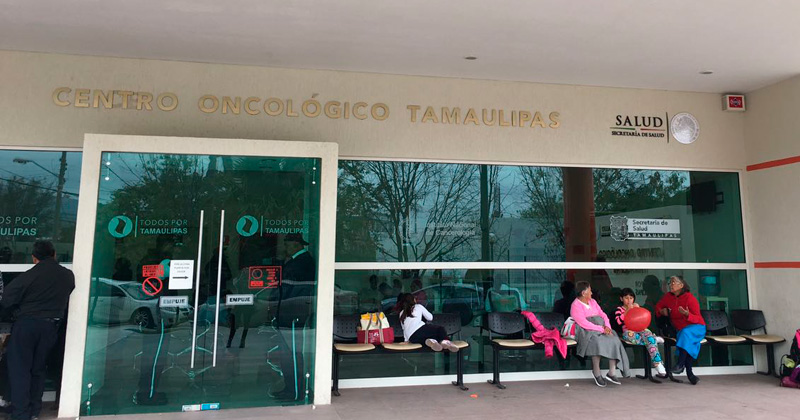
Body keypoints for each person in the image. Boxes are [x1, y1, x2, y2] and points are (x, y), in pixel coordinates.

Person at [1, 240, 75, 420]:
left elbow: (7, 299)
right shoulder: (67, 275)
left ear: (34, 258)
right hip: (51, 327)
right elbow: (69, 291)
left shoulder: (29, 276)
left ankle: (21, 412)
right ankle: (34, 410)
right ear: (54, 254)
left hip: (27, 325)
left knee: (20, 369)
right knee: (39, 368)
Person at [271, 233, 316, 401]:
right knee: (286, 353)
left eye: (288, 244)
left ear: (297, 244)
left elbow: (290, 288)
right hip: (287, 312)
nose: (285, 247)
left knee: (293, 353)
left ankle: (296, 391)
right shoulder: (295, 261)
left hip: (294, 312)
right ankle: (290, 387)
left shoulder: (303, 262)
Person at [570, 281, 630, 387]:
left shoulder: (593, 301)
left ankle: (611, 372)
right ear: (583, 293)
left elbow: (603, 315)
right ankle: (596, 372)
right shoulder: (575, 305)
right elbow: (583, 323)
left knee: (614, 339)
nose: (591, 293)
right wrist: (601, 329)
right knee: (596, 341)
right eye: (590, 291)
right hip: (586, 330)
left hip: (602, 327)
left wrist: (607, 327)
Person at [656, 275, 706, 385]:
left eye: (673, 282)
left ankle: (680, 363)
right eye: (670, 283)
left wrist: (687, 314)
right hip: (681, 330)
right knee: (686, 340)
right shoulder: (668, 297)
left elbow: (698, 318)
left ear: (681, 285)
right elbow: (658, 306)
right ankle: (690, 374)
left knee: (685, 334)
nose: (670, 285)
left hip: (696, 327)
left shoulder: (690, 298)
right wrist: (661, 311)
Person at [615, 288, 666, 376]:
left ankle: (658, 364)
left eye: (631, 298)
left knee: (647, 333)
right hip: (629, 331)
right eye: (626, 298)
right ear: (621, 299)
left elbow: (642, 318)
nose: (629, 300)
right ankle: (653, 340)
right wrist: (627, 311)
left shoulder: (636, 306)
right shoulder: (619, 309)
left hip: (641, 329)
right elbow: (618, 321)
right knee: (633, 337)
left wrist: (638, 309)